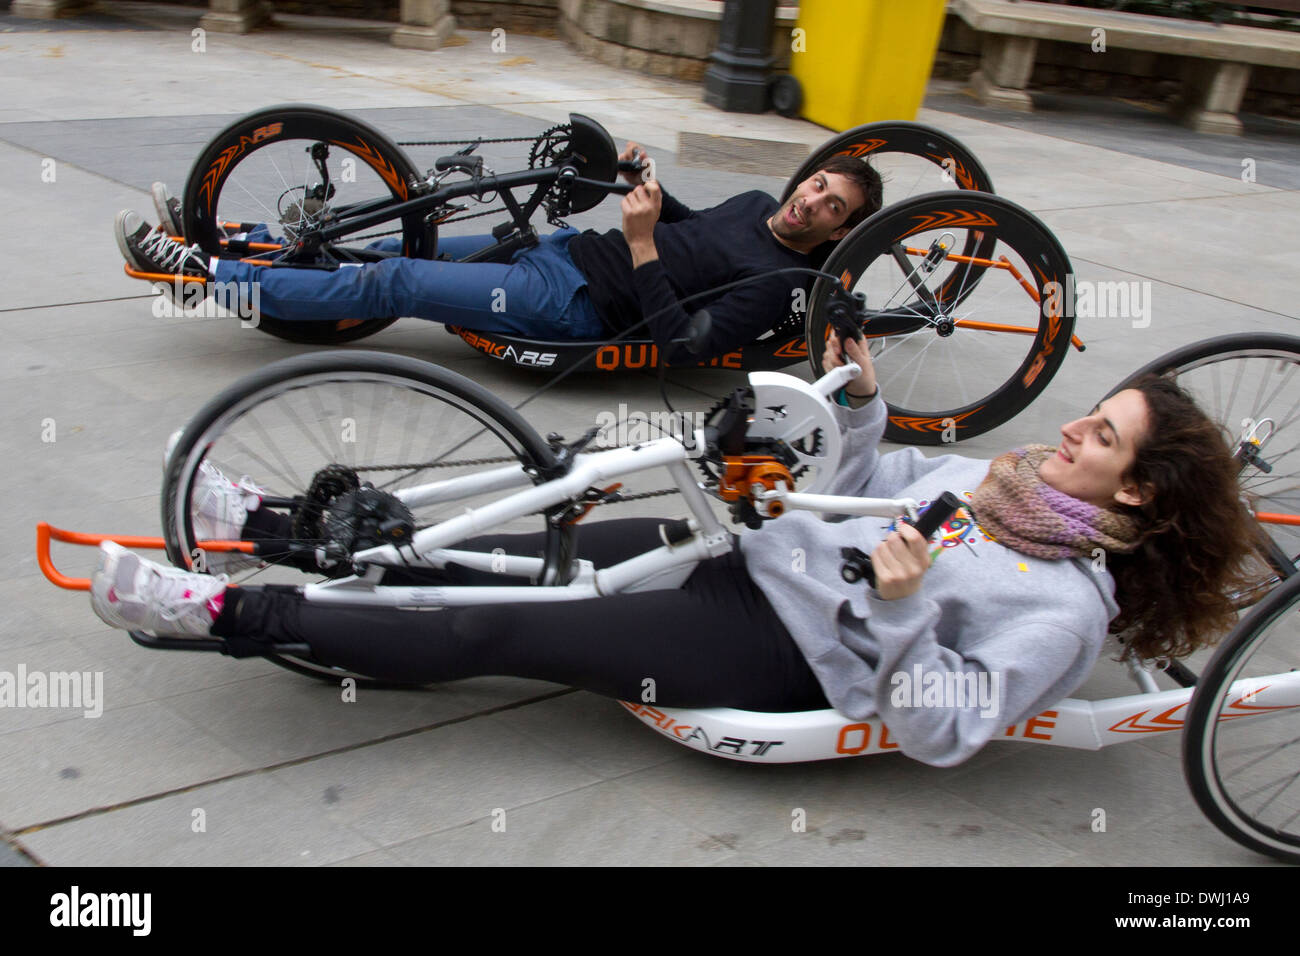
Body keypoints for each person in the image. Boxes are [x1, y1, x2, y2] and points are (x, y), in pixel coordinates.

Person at [86, 336, 1261, 767]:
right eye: (1089, 412)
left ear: (1135, 489)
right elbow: (856, 487)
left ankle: (221, 614)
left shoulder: (1060, 610)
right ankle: (267, 526)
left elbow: (946, 729)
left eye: (1100, 434)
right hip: (744, 552)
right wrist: (853, 406)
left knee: (497, 624)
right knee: (492, 548)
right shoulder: (998, 477)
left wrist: (905, 611)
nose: (1070, 428)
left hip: (778, 647)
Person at [114, 144, 883, 364]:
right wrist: (645, 186)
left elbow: (682, 344)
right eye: (818, 184)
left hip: (570, 306)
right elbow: (694, 228)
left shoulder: (779, 280)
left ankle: (206, 278)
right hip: (561, 249)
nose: (812, 201)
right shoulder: (753, 204)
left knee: (393, 280)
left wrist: (642, 242)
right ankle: (225, 241)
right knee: (387, 242)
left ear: (836, 232)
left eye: (833, 208)